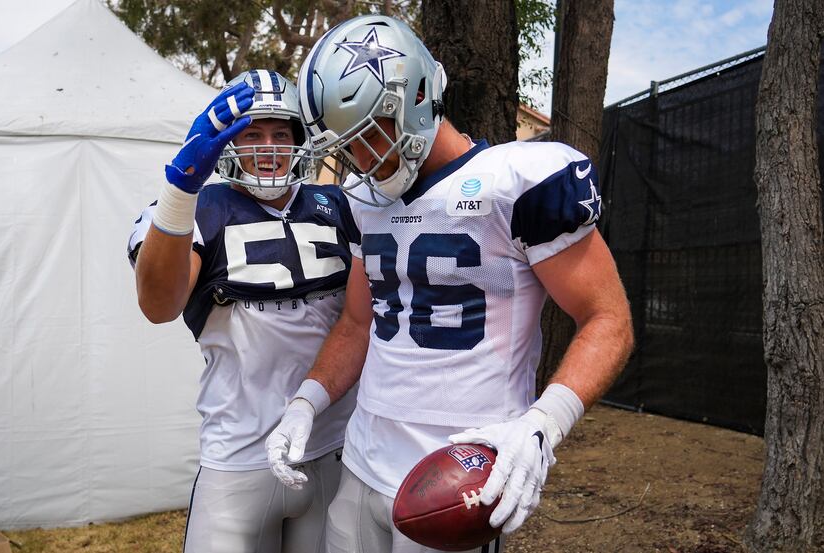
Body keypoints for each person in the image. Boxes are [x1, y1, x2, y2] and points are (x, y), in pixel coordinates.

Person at [264, 15, 634, 553]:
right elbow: (357, 323)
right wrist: (305, 403)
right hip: (362, 462)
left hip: (455, 475)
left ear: (415, 96)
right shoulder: (364, 201)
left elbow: (609, 320)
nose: (364, 160)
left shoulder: (516, 181)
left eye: (371, 134)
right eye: (350, 146)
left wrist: (543, 425)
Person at [127, 69, 359, 553]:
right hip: (240, 456)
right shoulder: (198, 207)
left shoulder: (340, 205)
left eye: (281, 133)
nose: (269, 146)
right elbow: (157, 305)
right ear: (225, 143)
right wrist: (180, 190)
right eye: (251, 134)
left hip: (336, 446)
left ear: (301, 139)